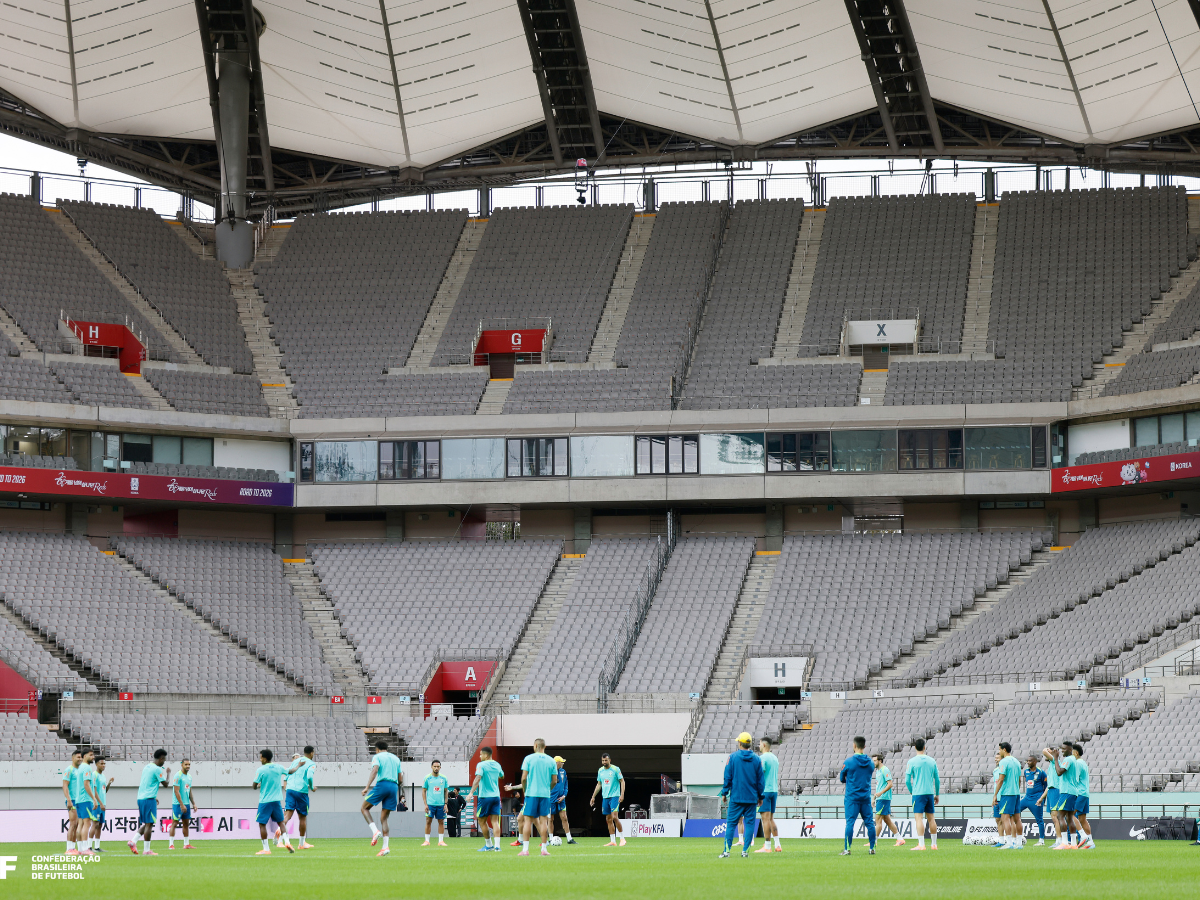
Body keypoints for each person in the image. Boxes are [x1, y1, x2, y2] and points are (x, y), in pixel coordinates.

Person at [719, 732, 765, 858]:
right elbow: (760, 781)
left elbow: (727, 776)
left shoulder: (732, 757)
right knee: (750, 824)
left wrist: (724, 793)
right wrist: (760, 797)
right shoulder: (757, 759)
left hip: (736, 798)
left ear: (739, 743)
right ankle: (745, 851)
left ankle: (727, 851)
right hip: (751, 798)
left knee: (731, 824)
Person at [361, 740, 403, 857]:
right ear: (387, 748)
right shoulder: (396, 759)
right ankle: (385, 847)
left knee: (364, 808)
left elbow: (375, 770)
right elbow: (400, 779)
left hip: (382, 784)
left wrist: (367, 787)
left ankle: (375, 831)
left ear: (377, 749)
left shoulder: (377, 756)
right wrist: (394, 787)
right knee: (384, 818)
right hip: (394, 787)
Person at [518, 738, 558, 857]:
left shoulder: (529, 758)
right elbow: (554, 781)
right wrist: (547, 789)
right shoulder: (551, 761)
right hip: (545, 795)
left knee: (528, 821)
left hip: (531, 793)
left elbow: (524, 778)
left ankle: (525, 850)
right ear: (545, 747)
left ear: (535, 745)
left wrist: (525, 790)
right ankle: (544, 849)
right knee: (543, 822)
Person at [129, 749, 170, 856]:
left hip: (142, 798)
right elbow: (166, 784)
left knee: (147, 823)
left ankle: (133, 841)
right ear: (161, 758)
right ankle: (146, 850)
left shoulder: (147, 767)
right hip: (148, 799)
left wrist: (152, 797)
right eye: (164, 759)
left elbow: (147, 783)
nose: (164, 762)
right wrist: (168, 773)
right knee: (149, 825)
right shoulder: (157, 769)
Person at [839, 736, 875, 856]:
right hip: (865, 797)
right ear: (864, 746)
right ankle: (872, 848)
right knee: (869, 823)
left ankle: (847, 849)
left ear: (854, 746)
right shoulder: (870, 763)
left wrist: (849, 780)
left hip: (852, 798)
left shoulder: (848, 762)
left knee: (850, 823)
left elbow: (841, 778)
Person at [252, 748, 293, 855]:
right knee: (281, 822)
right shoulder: (278, 767)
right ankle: (287, 842)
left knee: (262, 824)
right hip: (276, 800)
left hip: (265, 801)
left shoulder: (261, 770)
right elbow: (290, 771)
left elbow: (254, 786)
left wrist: (259, 785)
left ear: (265, 758)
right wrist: (299, 765)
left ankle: (266, 849)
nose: (260, 759)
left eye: (261, 757)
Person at [904, 738, 940, 851]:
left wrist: (911, 791)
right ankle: (934, 845)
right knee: (931, 819)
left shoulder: (911, 761)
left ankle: (921, 844)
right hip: (929, 793)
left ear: (915, 747)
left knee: (919, 819)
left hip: (918, 794)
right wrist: (937, 794)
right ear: (924, 747)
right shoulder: (932, 761)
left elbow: (907, 780)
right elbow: (937, 780)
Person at [467, 746, 504, 852]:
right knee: (495, 822)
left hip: (485, 797)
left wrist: (471, 793)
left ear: (486, 755)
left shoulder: (481, 765)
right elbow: (502, 776)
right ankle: (497, 846)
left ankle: (489, 845)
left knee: (481, 821)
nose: (479, 756)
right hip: (496, 796)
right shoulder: (497, 764)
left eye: (481, 754)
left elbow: (478, 778)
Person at [1045, 742, 1079, 850]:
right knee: (1069, 818)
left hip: (1067, 791)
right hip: (1072, 791)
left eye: (1064, 749)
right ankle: (1073, 844)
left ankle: (1064, 843)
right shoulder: (1074, 760)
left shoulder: (1068, 760)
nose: (1062, 751)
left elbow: (1059, 772)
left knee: (1060, 816)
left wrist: (1055, 758)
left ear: (1070, 749)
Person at [590, 752, 625, 847]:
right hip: (605, 797)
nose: (604, 762)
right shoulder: (600, 770)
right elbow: (599, 784)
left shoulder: (615, 769)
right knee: (608, 819)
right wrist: (593, 796)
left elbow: (622, 781)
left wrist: (622, 794)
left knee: (614, 817)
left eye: (606, 760)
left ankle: (622, 838)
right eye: (603, 760)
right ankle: (613, 841)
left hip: (615, 796)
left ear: (610, 760)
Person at [284, 746, 317, 850]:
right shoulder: (311, 763)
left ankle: (279, 829)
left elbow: (289, 772)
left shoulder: (296, 761)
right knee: (302, 818)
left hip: (290, 789)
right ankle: (301, 844)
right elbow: (310, 777)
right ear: (312, 753)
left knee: (288, 815)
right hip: (301, 791)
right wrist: (312, 787)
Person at [994, 742, 1023, 849]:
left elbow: (1001, 779)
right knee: (1017, 819)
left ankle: (1009, 843)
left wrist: (995, 795)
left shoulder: (1004, 762)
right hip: (1016, 793)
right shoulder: (1016, 762)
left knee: (1005, 817)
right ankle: (1019, 844)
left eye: (1000, 749)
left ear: (1004, 750)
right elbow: (1019, 780)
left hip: (1007, 793)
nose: (999, 752)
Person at [872, 752, 904, 847]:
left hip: (884, 798)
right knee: (887, 820)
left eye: (874, 761)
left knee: (878, 819)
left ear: (880, 761)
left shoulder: (884, 770)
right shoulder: (878, 771)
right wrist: (874, 798)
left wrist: (881, 793)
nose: (873, 763)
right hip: (880, 798)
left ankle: (874, 841)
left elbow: (890, 784)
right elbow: (879, 787)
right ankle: (900, 839)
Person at [755, 737, 781, 853]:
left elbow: (760, 775)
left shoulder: (762, 758)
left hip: (765, 790)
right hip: (774, 790)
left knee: (765, 819)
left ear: (764, 745)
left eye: (760, 744)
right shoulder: (775, 758)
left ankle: (767, 846)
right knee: (771, 819)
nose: (759, 746)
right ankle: (777, 844)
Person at [61, 749, 86, 856]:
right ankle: (69, 848)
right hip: (73, 800)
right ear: (73, 758)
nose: (80, 759)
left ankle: (74, 847)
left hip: (80, 800)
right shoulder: (69, 769)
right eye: (78, 757)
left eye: (81, 757)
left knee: (78, 825)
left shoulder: (80, 771)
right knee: (73, 824)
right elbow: (65, 785)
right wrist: (69, 800)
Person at [1019, 754, 1047, 847]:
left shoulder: (1041, 772)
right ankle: (1016, 836)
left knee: (1039, 819)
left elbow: (1046, 787)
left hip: (1036, 799)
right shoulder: (1026, 771)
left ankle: (1041, 840)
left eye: (1030, 761)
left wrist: (1042, 799)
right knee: (1015, 811)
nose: (1028, 762)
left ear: (1035, 762)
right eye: (1027, 761)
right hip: (1027, 798)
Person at [168, 758, 197, 850]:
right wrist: (181, 804)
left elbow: (189, 791)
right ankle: (171, 844)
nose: (188, 766)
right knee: (175, 823)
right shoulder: (178, 776)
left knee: (186, 824)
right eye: (186, 764)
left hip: (187, 804)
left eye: (189, 764)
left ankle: (186, 844)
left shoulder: (189, 777)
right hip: (178, 804)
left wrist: (193, 804)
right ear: (182, 765)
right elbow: (176, 792)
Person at [1070, 743, 1094, 850]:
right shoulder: (1083, 763)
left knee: (1070, 815)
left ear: (1076, 753)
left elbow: (1075, 778)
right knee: (1082, 818)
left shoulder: (1077, 764)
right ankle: (1091, 842)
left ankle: (1082, 836)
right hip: (1085, 793)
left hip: (1079, 792)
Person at [87, 756, 112, 853]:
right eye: (101, 763)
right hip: (97, 804)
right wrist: (100, 803)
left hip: (103, 804)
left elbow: (104, 790)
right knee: (95, 824)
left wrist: (109, 783)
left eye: (104, 763)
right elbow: (95, 790)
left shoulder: (103, 776)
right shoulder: (94, 775)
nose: (103, 765)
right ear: (96, 764)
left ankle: (97, 847)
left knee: (100, 825)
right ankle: (89, 847)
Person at [422, 760, 449, 847]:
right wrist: (425, 804)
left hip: (441, 804)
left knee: (441, 821)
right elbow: (423, 791)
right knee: (428, 821)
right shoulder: (427, 778)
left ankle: (441, 841)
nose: (436, 768)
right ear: (431, 767)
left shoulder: (444, 778)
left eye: (438, 767)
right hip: (430, 804)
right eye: (435, 766)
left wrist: (446, 803)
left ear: (440, 767)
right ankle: (427, 841)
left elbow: (446, 791)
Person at [551, 755, 574, 844]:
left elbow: (565, 786)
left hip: (562, 799)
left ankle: (569, 838)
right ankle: (550, 838)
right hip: (551, 798)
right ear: (557, 763)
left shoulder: (563, 772)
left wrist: (564, 795)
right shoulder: (550, 772)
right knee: (550, 819)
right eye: (561, 762)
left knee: (564, 817)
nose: (563, 763)